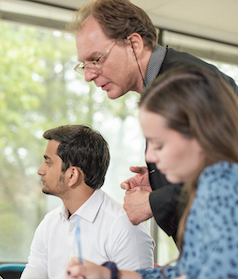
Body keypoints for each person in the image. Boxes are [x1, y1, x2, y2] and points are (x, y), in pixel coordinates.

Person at [67, 0, 238, 243]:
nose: (88, 75)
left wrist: (153, 202)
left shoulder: (187, 84)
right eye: (84, 64)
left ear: (133, 44)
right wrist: (163, 178)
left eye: (96, 59)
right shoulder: (165, 84)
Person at [65, 66, 238, 279]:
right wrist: (109, 276)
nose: (149, 156)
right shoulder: (204, 188)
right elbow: (184, 272)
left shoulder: (225, 186)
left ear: (200, 134)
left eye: (159, 144)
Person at [0, 124, 154, 279]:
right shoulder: (50, 223)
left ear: (72, 174)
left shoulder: (124, 226)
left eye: (48, 162)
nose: (40, 170)